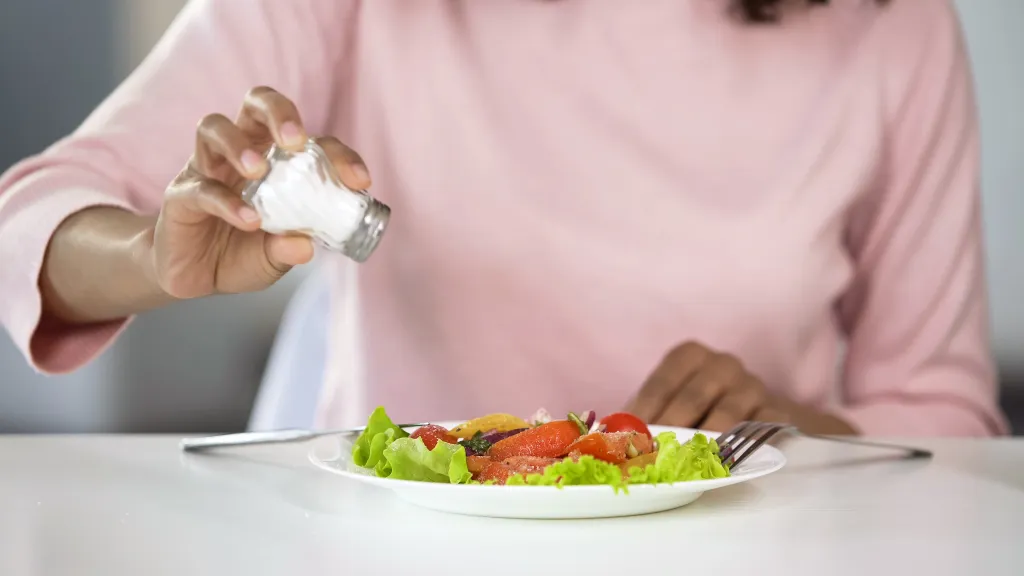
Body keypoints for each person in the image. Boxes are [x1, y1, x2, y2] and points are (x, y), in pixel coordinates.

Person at [0, 0, 1009, 436]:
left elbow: (943, 417)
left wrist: (789, 432)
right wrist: (152, 255)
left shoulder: (890, 30)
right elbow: (32, 221)